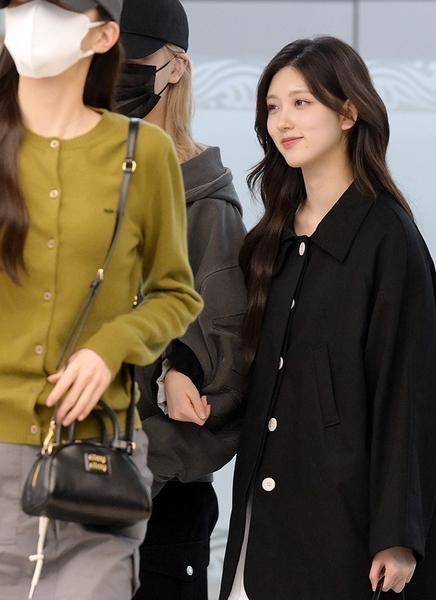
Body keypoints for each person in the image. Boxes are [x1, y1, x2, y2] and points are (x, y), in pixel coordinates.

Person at [219, 36, 436, 600]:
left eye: (302, 103)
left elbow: (407, 393)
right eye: (273, 106)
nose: (282, 121)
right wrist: (181, 367)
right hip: (262, 526)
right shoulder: (272, 236)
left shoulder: (388, 238)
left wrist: (397, 536)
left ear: (348, 113)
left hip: (344, 529)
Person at [0, 1, 203, 599]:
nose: (32, 20)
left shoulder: (145, 153)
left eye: (54, 7)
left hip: (98, 463)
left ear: (103, 33)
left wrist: (109, 347)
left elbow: (176, 292)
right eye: (18, 6)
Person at [115, 0, 247, 598]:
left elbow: (224, 381)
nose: (113, 81)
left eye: (131, 64)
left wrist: (130, 469)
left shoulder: (207, 211)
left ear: (175, 68)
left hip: (157, 515)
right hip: (56, 500)